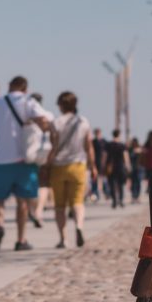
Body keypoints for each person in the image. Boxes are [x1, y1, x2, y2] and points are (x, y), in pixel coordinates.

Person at [0, 75, 52, 252]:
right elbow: (45, 123)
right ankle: (21, 239)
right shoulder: (28, 102)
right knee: (22, 202)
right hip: (24, 159)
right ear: (25, 88)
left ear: (9, 86)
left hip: (1, 159)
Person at [47, 91, 97, 249]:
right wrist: (93, 166)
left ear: (61, 105)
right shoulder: (83, 122)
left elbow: (53, 147)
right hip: (78, 166)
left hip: (59, 166)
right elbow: (89, 147)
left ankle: (63, 239)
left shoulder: (56, 122)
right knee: (77, 202)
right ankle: (79, 226)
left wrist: (47, 164)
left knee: (60, 205)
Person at [28, 92, 52, 228]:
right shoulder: (48, 115)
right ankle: (38, 211)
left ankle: (32, 210)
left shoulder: (27, 117)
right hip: (46, 152)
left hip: (29, 154)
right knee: (44, 186)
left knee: (30, 185)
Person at [105, 129, 131, 208]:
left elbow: (104, 155)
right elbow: (125, 156)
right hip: (120, 166)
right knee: (120, 184)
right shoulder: (122, 145)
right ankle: (121, 200)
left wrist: (103, 165)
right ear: (119, 134)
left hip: (110, 166)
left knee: (112, 184)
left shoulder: (109, 145)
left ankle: (114, 201)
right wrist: (127, 166)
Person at [90, 127, 107, 202]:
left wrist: (105, 162)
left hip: (102, 162)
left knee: (102, 179)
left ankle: (105, 193)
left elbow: (106, 152)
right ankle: (95, 194)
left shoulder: (104, 141)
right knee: (94, 179)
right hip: (94, 162)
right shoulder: (93, 141)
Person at [128, 136, 144, 203]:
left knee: (138, 183)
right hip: (133, 168)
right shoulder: (130, 150)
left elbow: (143, 157)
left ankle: (137, 197)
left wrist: (139, 151)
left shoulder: (140, 149)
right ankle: (133, 196)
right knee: (133, 183)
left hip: (139, 168)